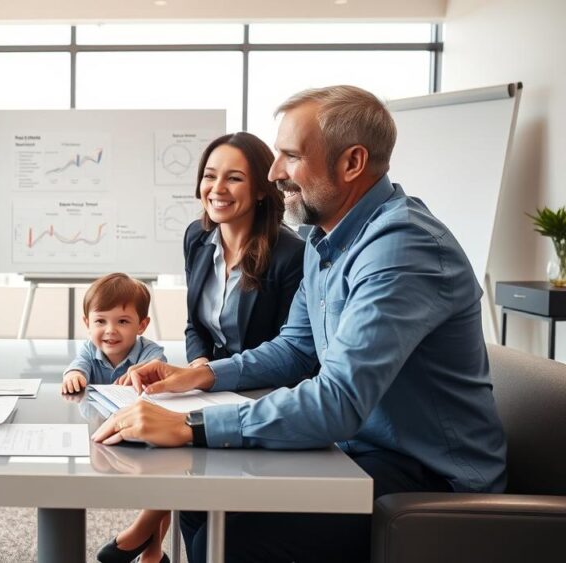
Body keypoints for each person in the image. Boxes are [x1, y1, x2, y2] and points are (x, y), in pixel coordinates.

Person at [93, 85, 508, 563]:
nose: (273, 173)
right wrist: (202, 375)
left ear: (351, 163)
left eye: (290, 155)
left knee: (234, 531)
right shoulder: (324, 238)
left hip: (427, 479)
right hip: (357, 450)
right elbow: (296, 348)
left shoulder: (403, 247)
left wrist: (191, 424)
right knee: (202, 496)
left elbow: (338, 400)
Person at [95, 133, 305, 563]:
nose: (217, 189)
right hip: (212, 381)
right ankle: (152, 540)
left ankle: (145, 531)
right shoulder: (197, 237)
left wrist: (204, 378)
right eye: (210, 176)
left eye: (233, 178)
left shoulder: (290, 254)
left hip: (263, 391)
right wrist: (197, 367)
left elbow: (292, 352)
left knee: (175, 439)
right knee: (149, 424)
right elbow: (197, 324)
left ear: (262, 188)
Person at [61, 273, 166, 394]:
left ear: (141, 326)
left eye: (122, 321)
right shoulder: (90, 349)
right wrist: (74, 375)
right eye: (100, 321)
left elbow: (158, 371)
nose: (110, 330)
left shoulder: (151, 352)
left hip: (134, 411)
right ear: (88, 323)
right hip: (96, 412)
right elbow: (79, 364)